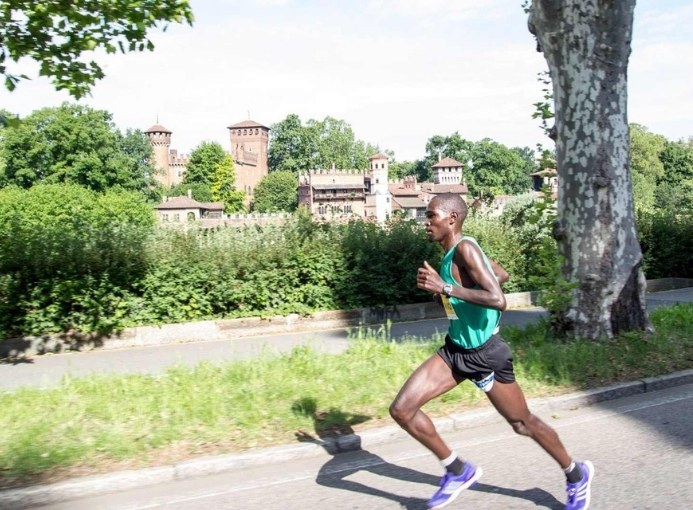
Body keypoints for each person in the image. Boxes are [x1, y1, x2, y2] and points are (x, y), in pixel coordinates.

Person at [389, 193, 594, 510]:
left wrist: (446, 288)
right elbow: (499, 274)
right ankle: (457, 471)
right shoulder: (452, 254)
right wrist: (447, 292)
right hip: (455, 351)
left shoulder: (465, 248)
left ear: (452, 219)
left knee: (522, 423)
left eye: (432, 216)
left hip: (486, 354)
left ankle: (576, 473)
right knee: (402, 409)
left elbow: (499, 298)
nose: (425, 222)